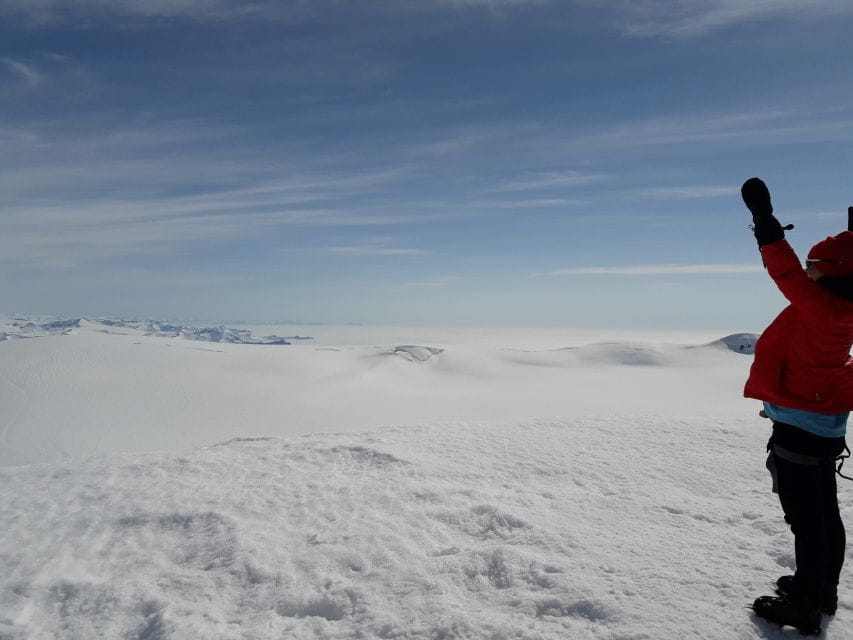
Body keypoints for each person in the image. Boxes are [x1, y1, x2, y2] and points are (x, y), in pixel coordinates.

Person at [741, 177, 853, 635]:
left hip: (802, 427)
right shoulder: (842, 307)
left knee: (807, 519)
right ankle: (822, 589)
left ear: (835, 273)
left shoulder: (820, 307)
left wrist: (765, 224)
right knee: (824, 512)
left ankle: (805, 604)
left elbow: (783, 271)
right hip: (823, 423)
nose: (807, 273)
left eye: (814, 267)